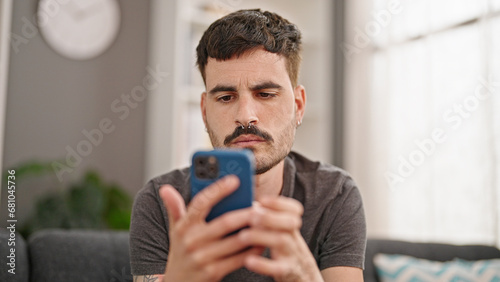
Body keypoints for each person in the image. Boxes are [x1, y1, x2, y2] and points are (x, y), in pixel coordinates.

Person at [130, 9, 366, 282]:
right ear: (205, 112)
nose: (245, 115)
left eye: (265, 94)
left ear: (298, 106)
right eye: (226, 97)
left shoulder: (335, 195)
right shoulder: (160, 202)